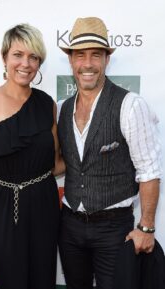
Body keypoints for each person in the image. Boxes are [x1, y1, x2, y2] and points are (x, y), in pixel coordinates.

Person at [57, 17, 162, 289]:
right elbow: (68, 163)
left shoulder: (130, 105)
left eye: (96, 55)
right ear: (71, 61)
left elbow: (149, 171)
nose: (88, 64)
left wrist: (146, 227)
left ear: (106, 60)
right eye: (80, 55)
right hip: (69, 226)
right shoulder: (63, 108)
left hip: (114, 228)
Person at [0, 24, 63, 289]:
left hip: (44, 201)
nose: (26, 64)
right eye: (18, 55)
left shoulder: (46, 104)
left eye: (33, 57)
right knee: (10, 279)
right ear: (4, 57)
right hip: (5, 204)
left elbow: (55, 163)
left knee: (43, 277)